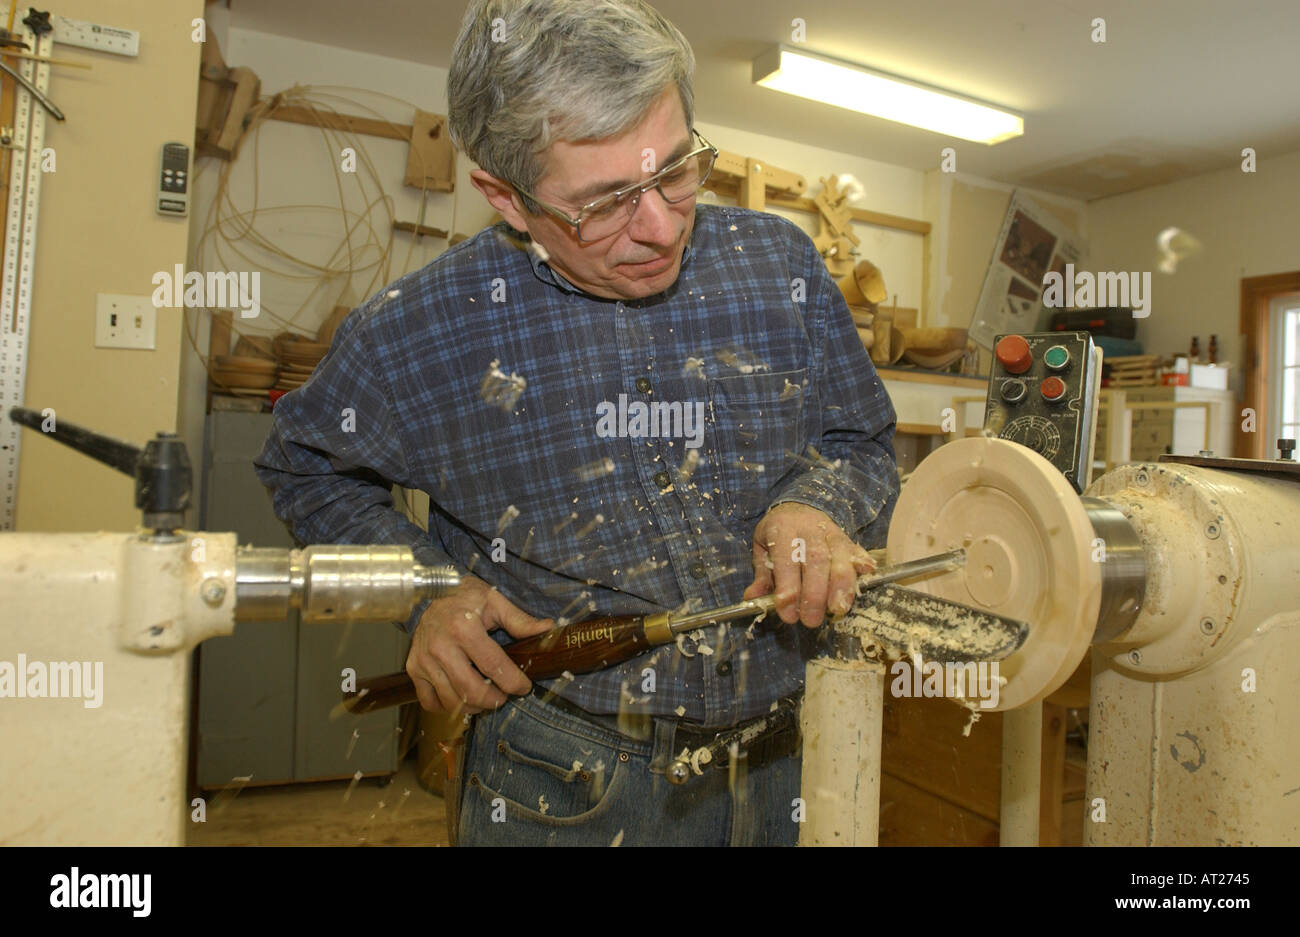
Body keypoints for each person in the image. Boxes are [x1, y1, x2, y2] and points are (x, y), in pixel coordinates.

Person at [255, 0, 899, 846]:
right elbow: (303, 464)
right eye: (605, 203)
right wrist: (427, 594)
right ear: (505, 195)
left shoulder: (778, 266)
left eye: (676, 171)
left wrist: (815, 505)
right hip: (564, 774)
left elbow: (860, 441)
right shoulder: (422, 328)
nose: (663, 226)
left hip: (788, 752)